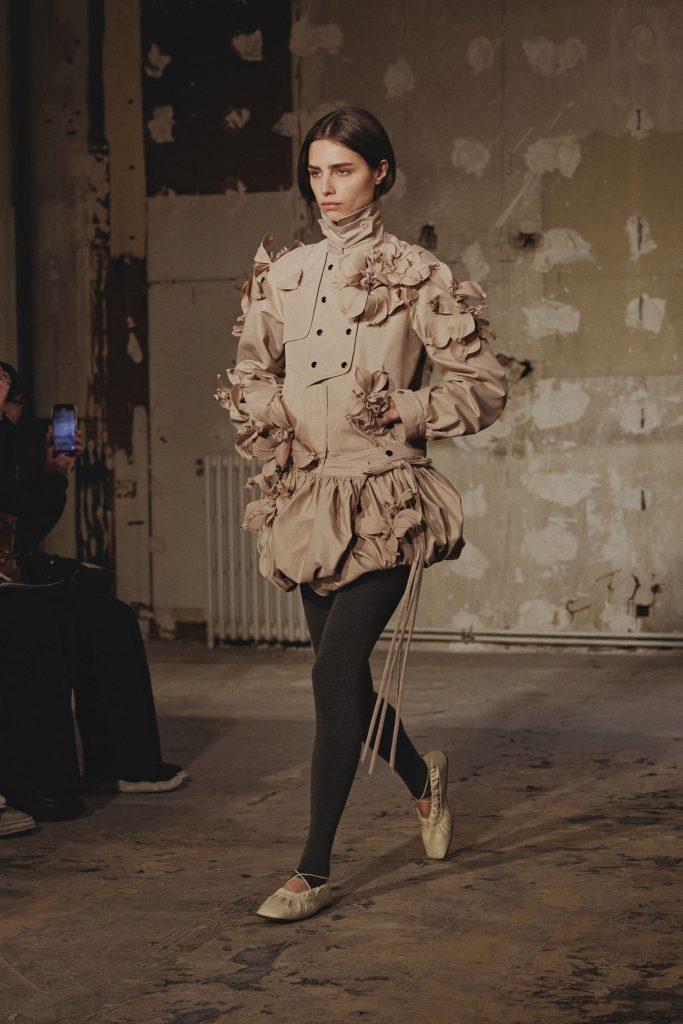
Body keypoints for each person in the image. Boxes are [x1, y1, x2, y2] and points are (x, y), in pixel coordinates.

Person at [215, 108, 508, 921]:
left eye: (342, 170)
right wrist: (269, 415)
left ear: (379, 172)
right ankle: (423, 778)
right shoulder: (284, 272)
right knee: (343, 681)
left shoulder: (417, 273)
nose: (326, 188)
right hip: (306, 500)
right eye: (315, 172)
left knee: (329, 677)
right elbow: (249, 370)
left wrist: (408, 410)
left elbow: (483, 387)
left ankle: (312, 869)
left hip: (383, 501)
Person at [0, 361, 187, 821]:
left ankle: (122, 763)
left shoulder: (15, 449)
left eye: (13, 401)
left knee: (108, 618)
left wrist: (55, 471)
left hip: (16, 573)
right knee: (35, 629)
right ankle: (42, 789)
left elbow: (24, 525)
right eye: (7, 402)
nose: (10, 411)